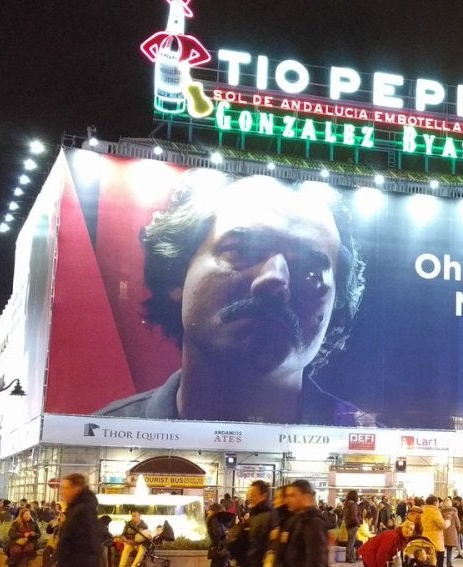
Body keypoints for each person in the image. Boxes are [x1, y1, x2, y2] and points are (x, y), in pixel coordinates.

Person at [99, 172, 367, 424]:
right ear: (177, 274)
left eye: (310, 272)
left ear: (336, 307)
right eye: (241, 251)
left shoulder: (373, 448)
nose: (275, 279)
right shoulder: (100, 437)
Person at [56, 472, 102, 567]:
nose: (62, 492)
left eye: (66, 488)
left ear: (76, 489)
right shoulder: (75, 508)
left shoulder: (83, 510)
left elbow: (88, 544)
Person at [281, 480, 328, 567]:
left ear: (306, 497)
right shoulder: (298, 519)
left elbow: (316, 560)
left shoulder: (314, 523)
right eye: (287, 496)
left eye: (292, 496)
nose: (287, 500)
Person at [243, 480, 272, 567]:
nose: (250, 498)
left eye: (253, 495)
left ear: (264, 496)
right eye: (250, 495)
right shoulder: (255, 514)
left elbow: (262, 545)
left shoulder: (268, 515)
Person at [422, 495, 450, 567]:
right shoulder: (435, 511)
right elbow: (443, 525)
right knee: (438, 562)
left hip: (425, 539)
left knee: (428, 562)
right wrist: (448, 520)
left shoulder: (423, 510)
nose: (439, 504)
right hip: (435, 541)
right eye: (438, 502)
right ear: (435, 502)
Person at [442, 498, 461, 567]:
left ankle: (440, 563)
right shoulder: (454, 512)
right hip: (451, 533)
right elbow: (458, 524)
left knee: (441, 549)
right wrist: (459, 530)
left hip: (442, 533)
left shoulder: (440, 512)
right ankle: (449, 563)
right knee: (449, 549)